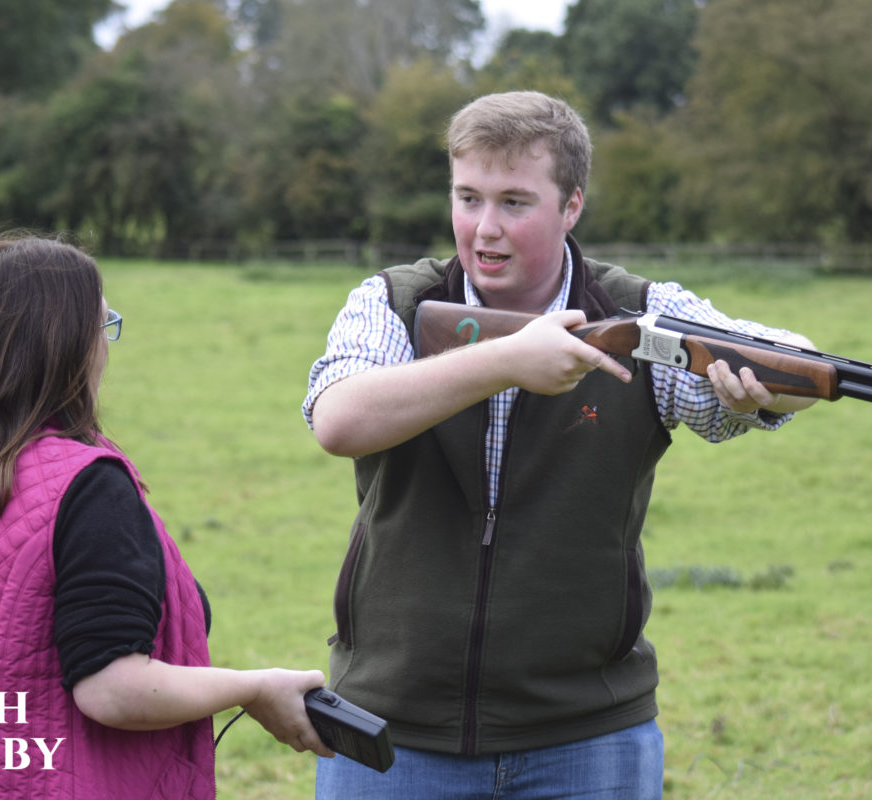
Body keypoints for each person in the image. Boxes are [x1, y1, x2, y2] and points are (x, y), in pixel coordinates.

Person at [302, 91, 819, 798]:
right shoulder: (394, 302)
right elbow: (339, 420)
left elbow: (778, 360)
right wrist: (507, 361)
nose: (484, 228)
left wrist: (783, 370)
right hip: (392, 730)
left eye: (515, 202)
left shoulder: (635, 314)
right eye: (468, 197)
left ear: (572, 205)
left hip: (588, 736)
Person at [0, 235, 331, 799]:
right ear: (68, 348)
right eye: (103, 326)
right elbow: (112, 690)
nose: (106, 348)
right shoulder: (89, 487)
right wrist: (254, 687)